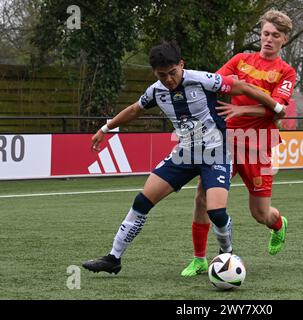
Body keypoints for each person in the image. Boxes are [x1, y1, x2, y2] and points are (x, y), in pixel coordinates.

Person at [82, 41, 286, 274]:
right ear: (154, 73)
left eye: (172, 73)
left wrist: (276, 108)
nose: (168, 79)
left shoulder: (202, 79)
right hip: (184, 154)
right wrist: (105, 129)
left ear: (181, 64)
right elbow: (135, 110)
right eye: (162, 75)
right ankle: (113, 258)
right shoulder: (155, 91)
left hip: (216, 153)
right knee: (141, 202)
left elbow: (243, 87)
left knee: (216, 212)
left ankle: (226, 255)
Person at [181, 10, 297, 277]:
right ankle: (199, 259)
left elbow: (278, 111)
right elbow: (216, 84)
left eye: (275, 36)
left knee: (260, 213)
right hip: (226, 142)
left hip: (259, 145)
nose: (268, 39)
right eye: (265, 34)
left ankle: (279, 225)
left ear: (284, 40)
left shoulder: (286, 72)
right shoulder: (240, 59)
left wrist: (242, 110)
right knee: (202, 196)